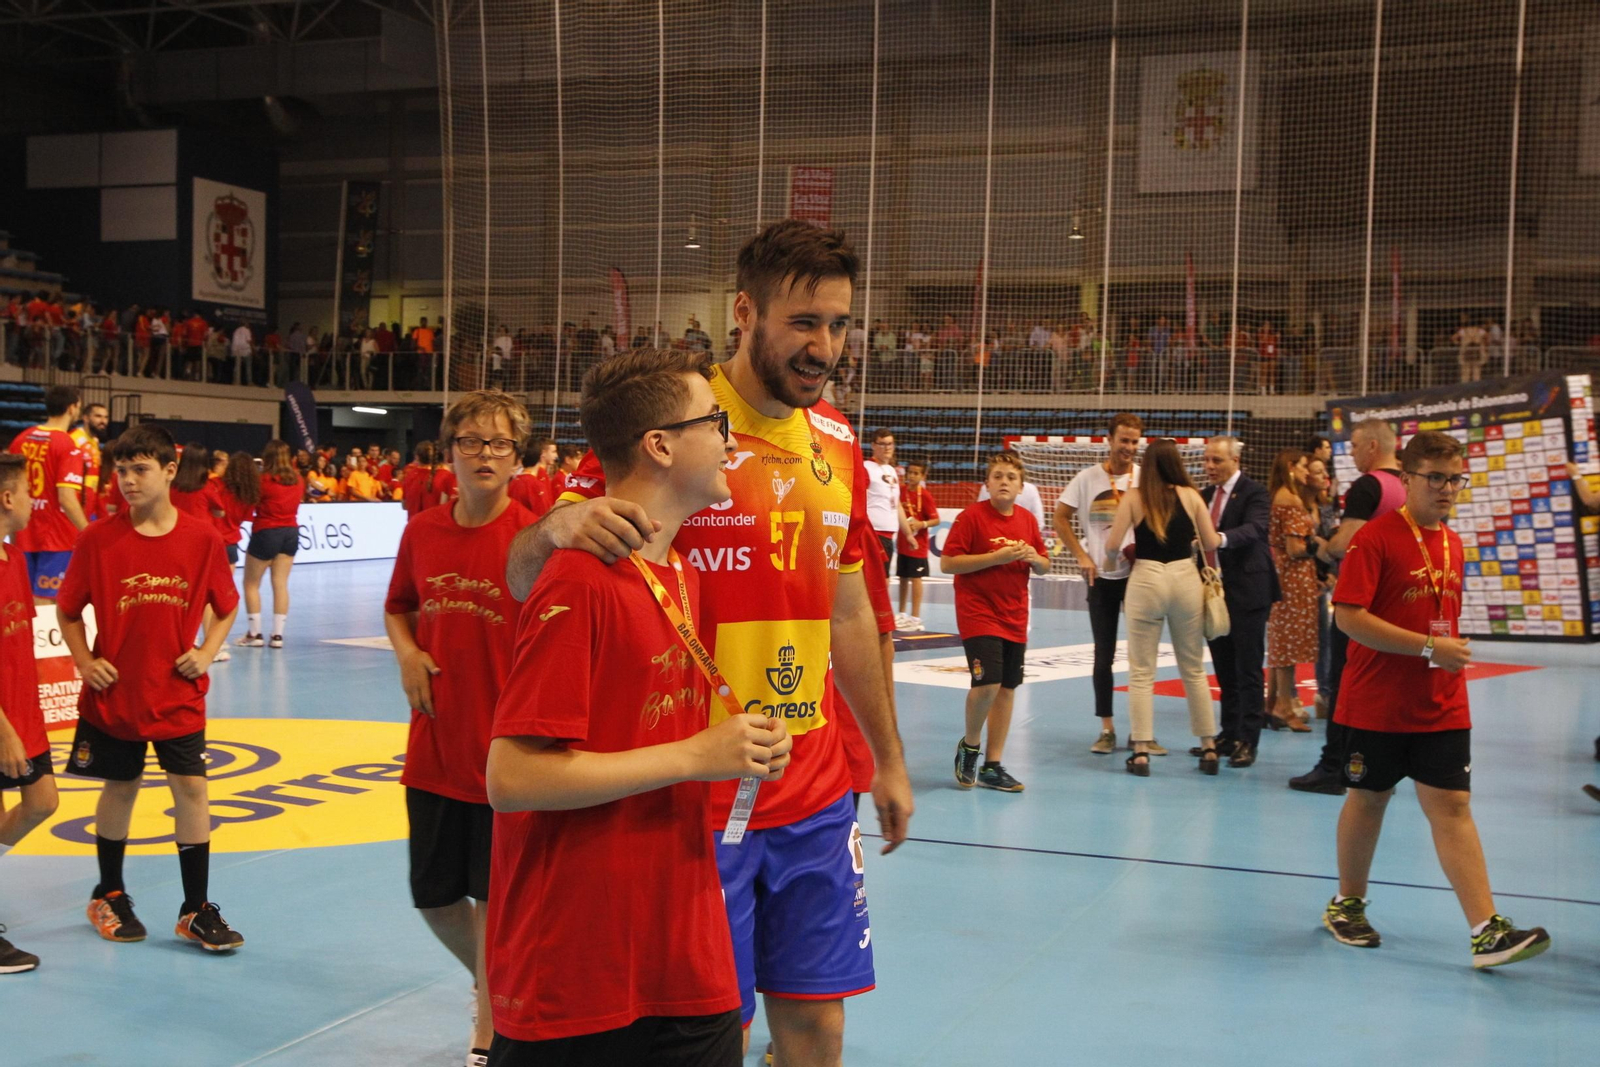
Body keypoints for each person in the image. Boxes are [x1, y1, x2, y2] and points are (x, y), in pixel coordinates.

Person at [504, 220, 912, 1066]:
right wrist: (557, 526)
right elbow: (523, 572)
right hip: (698, 798)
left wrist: (888, 757)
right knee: (705, 1031)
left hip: (812, 785)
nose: (824, 345)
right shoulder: (677, 424)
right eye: (804, 322)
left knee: (818, 1026)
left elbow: (849, 615)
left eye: (838, 324)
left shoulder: (837, 443)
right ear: (744, 312)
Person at [485, 349, 789, 1065]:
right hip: (579, 966)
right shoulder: (581, 580)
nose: (730, 439)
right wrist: (697, 754)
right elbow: (512, 776)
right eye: (714, 422)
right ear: (659, 444)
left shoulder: (678, 572)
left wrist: (732, 748)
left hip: (681, 952)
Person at [1322, 430, 1550, 968]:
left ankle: (1485, 931)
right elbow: (1349, 617)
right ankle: (1346, 905)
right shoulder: (1374, 539)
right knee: (1369, 798)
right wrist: (1429, 646)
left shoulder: (1452, 541)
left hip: (1441, 698)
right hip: (1377, 699)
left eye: (1456, 480)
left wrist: (1440, 648)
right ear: (1408, 479)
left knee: (1453, 805)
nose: (1448, 489)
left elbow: (1438, 615)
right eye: (1436, 478)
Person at [385, 390, 535, 1066]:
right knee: (435, 895)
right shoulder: (422, 531)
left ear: (517, 457)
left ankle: (491, 1021)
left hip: (506, 758)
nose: (483, 453)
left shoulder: (533, 538)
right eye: (470, 441)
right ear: (449, 453)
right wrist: (410, 652)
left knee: (498, 900)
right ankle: (490, 981)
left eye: (498, 443)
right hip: (436, 748)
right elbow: (399, 607)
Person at [56, 424, 243, 951]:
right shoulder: (97, 539)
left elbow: (226, 608)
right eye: (120, 471)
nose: (128, 481)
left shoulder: (201, 537)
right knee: (121, 788)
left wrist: (206, 652)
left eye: (140, 469)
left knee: (192, 791)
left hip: (178, 695)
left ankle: (195, 908)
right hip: (115, 697)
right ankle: (108, 892)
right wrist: (85, 660)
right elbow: (68, 613)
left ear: (168, 470)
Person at [1291, 419, 1406, 794]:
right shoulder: (1409, 484)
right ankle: (1381, 763)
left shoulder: (1368, 485)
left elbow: (1344, 544)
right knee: (1387, 684)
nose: (1351, 453)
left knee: (1344, 683)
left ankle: (1333, 766)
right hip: (1396, 599)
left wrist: (1316, 546)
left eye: (1355, 446)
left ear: (1373, 446)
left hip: (1360, 600)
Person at [1103, 439, 1223, 776]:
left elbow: (1112, 546)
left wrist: (1114, 560)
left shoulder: (1134, 497)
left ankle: (1141, 750)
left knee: (1142, 671)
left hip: (1147, 579)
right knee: (1194, 668)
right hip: (1185, 578)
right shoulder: (1191, 495)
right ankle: (1209, 746)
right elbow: (1212, 543)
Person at [941, 452, 1049, 793]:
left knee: (1006, 688)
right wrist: (996, 558)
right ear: (987, 484)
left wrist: (1035, 558)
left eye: (1011, 477)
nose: (1004, 481)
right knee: (986, 683)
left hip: (1015, 614)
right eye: (998, 476)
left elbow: (1045, 564)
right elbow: (948, 563)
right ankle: (971, 747)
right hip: (979, 613)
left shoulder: (1028, 521)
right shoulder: (970, 517)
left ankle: (993, 764)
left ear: (1021, 486)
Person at [1054, 414, 1151, 755]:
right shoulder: (1087, 479)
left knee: (1142, 657)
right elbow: (1060, 518)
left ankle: (1142, 731)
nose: (1128, 448)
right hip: (1101, 578)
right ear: (1109, 440)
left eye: (1134, 442)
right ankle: (1107, 728)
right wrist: (1081, 554)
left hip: (1139, 577)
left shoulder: (1145, 479)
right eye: (1123, 440)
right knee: (1103, 656)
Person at [0, 454, 62, 974]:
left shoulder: (14, 555)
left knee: (43, 802)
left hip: (24, 714)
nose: (31, 503)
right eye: (26, 493)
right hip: (2, 723)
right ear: (6, 498)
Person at [1197, 436, 1279, 769]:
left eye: (1217, 461)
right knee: (1224, 668)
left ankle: (1249, 739)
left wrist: (1221, 539)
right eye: (1206, 460)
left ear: (1235, 461)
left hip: (1248, 591)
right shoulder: (1203, 496)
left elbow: (1256, 529)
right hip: (1214, 593)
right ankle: (1228, 733)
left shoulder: (1255, 492)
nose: (1210, 467)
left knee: (1247, 669)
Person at [7, 385, 88, 602]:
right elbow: (67, 499)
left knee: (23, 599)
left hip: (23, 533)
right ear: (72, 408)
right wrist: (89, 533)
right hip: (57, 538)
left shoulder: (21, 439)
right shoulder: (68, 445)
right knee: (46, 603)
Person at [1265, 448, 1319, 732]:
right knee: (1287, 645)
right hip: (1294, 577)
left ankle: (1272, 701)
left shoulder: (1278, 497)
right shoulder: (1291, 500)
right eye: (1302, 466)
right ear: (1290, 467)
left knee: (1280, 643)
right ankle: (1284, 706)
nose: (1306, 471)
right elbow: (1295, 547)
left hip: (1282, 574)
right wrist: (1318, 545)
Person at [237, 440, 303, 650]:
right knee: (280, 584)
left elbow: (251, 502)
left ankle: (255, 633)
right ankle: (277, 635)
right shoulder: (298, 480)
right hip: (291, 533)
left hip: (266, 531)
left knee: (251, 584)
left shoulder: (263, 480)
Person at [895, 459, 938, 631]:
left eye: (916, 473)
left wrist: (922, 524)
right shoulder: (901, 491)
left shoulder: (925, 495)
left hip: (918, 545)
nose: (912, 476)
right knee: (903, 578)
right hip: (903, 543)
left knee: (916, 579)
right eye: (910, 472)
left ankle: (915, 617)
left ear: (922, 476)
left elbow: (936, 519)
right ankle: (902, 613)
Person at [861, 429, 902, 575]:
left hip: (888, 535)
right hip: (873, 533)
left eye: (890, 444)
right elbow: (857, 499)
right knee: (875, 580)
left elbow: (896, 504)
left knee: (883, 580)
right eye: (882, 444)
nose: (887, 448)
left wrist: (909, 535)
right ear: (873, 445)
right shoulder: (866, 468)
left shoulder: (891, 470)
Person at [70, 402, 109, 522]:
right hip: (78, 498)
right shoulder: (74, 439)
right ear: (86, 418)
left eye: (106, 417)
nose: (103, 421)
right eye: (98, 416)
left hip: (90, 499)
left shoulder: (94, 441)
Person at [402, 441, 455, 517]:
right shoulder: (445, 476)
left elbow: (404, 505)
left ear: (417, 457)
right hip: (435, 525)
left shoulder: (410, 475)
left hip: (414, 525)